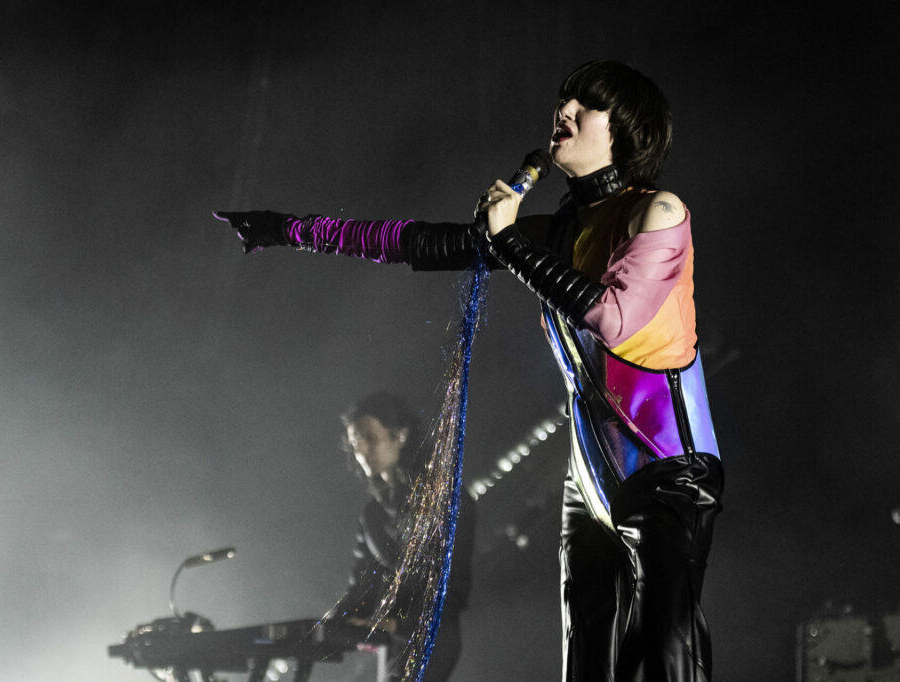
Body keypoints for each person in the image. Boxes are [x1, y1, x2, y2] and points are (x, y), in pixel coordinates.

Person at [217, 60, 723, 681]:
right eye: (559, 103)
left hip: (668, 470)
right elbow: (418, 242)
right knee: (588, 661)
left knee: (666, 648)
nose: (560, 115)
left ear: (624, 127)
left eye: (580, 108)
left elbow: (613, 320)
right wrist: (290, 229)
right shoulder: (557, 231)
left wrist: (511, 241)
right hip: (588, 484)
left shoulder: (661, 211)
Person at [330, 392, 474, 681]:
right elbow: (362, 585)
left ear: (401, 436)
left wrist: (396, 624)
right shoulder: (372, 514)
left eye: (370, 437)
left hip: (433, 636)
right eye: (356, 442)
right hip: (393, 643)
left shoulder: (445, 499)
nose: (362, 450)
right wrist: (328, 625)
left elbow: (451, 584)